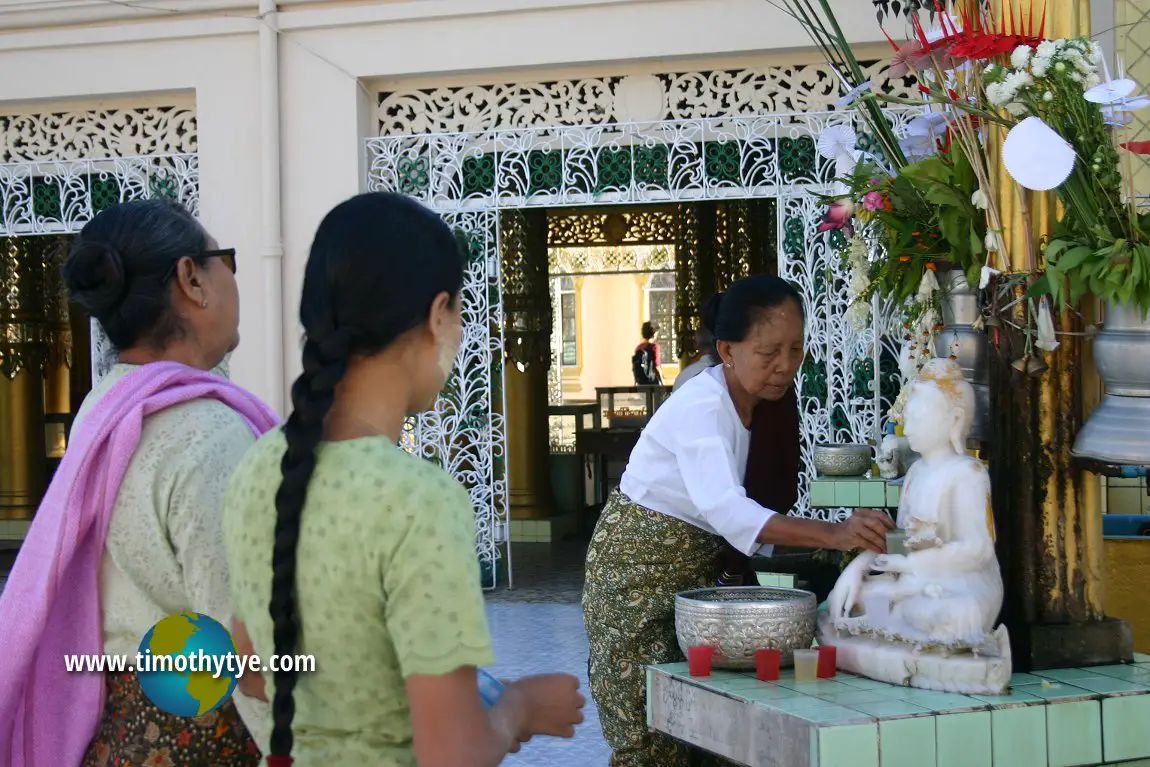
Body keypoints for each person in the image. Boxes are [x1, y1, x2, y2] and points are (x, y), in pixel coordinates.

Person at [220, 192, 586, 767]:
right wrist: (519, 707)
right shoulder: (418, 501)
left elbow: (251, 673)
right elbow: (453, 754)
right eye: (462, 313)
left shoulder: (256, 468)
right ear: (438, 313)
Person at [0, 200, 278, 766]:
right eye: (222, 260)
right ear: (191, 279)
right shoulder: (207, 435)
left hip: (119, 738)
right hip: (210, 744)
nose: (231, 277)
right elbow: (254, 653)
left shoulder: (105, 410)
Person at [582, 274, 894, 767]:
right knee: (650, 731)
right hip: (634, 576)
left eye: (795, 350)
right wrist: (833, 534)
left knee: (711, 725)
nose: (785, 367)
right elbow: (728, 511)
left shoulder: (761, 405)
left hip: (702, 582)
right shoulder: (702, 407)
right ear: (727, 350)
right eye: (769, 352)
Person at [632, 321, 663, 385]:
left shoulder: (639, 347)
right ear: (654, 333)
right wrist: (662, 382)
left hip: (641, 384)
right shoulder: (655, 347)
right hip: (653, 383)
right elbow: (657, 366)